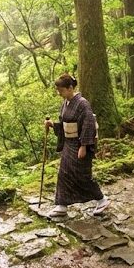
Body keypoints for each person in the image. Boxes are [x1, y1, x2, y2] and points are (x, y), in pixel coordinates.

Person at [43, 73, 110, 218]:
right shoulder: (65, 103)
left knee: (82, 175)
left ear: (70, 88)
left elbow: (88, 125)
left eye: (61, 90)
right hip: (68, 143)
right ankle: (61, 205)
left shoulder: (82, 103)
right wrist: (52, 124)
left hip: (79, 142)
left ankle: (102, 199)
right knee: (64, 173)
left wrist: (84, 146)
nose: (59, 93)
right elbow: (64, 124)